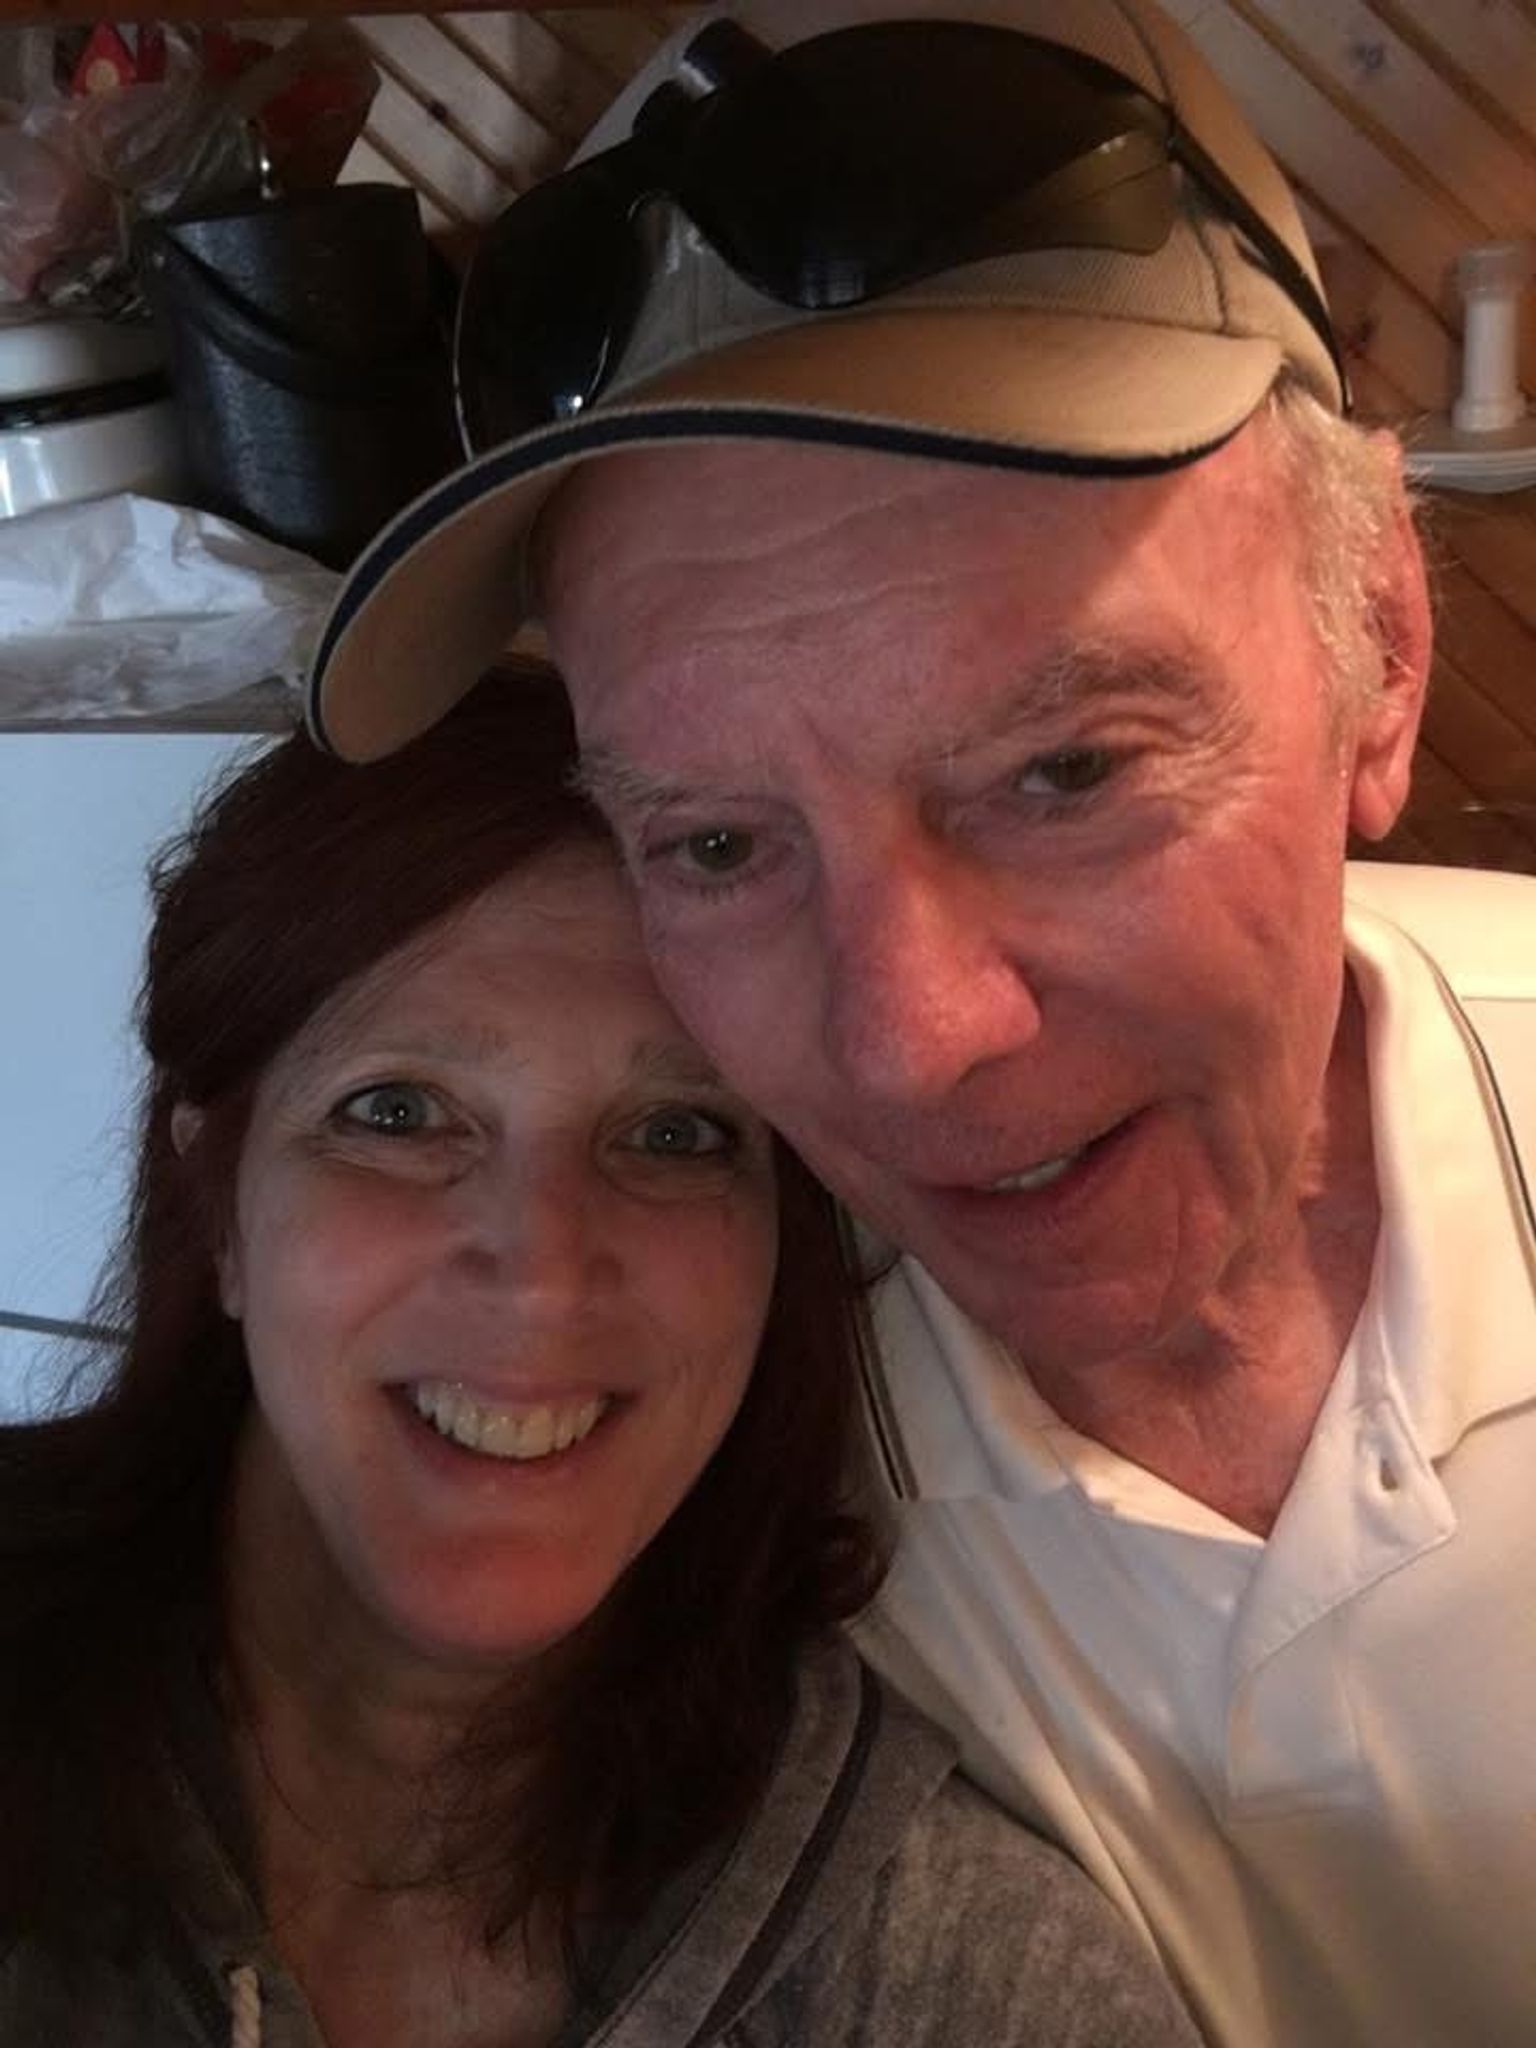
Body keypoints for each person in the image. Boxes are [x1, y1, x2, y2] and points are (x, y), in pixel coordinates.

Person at [303, 4, 1536, 2042]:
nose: (902, 1045)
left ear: (1383, 655)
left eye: (1065, 770)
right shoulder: (648, 1413)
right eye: (716, 844)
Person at [0, 661, 1200, 2048]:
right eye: (399, 1113)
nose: (542, 1271)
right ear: (217, 1208)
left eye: (674, 1134)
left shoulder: (967, 1982)